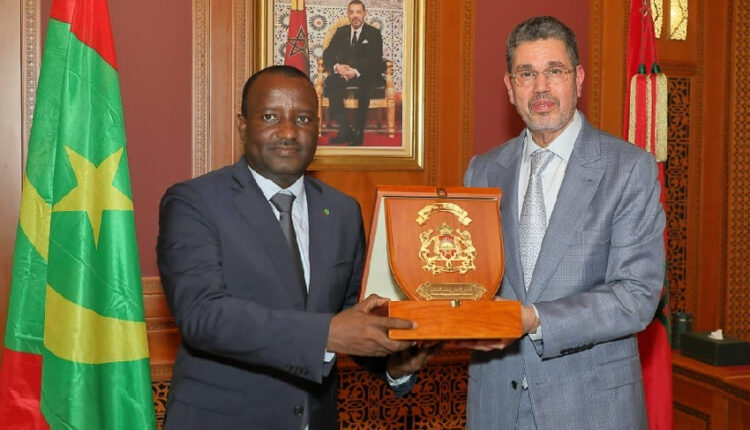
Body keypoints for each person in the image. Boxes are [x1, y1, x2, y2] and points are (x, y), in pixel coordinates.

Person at [157, 65, 429, 429]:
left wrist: (394, 365)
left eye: (303, 119)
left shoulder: (343, 211)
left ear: (318, 128)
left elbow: (351, 319)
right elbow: (202, 315)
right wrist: (326, 334)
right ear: (243, 126)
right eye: (270, 116)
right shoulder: (195, 202)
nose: (288, 132)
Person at [462, 16, 666, 429]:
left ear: (578, 79)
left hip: (591, 409)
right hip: (496, 405)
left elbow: (636, 296)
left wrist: (534, 318)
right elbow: (467, 281)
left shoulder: (628, 169)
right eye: (526, 74)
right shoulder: (482, 171)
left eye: (554, 71)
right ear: (509, 87)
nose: (540, 87)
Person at [322, 0, 383, 146]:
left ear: (364, 14)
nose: (355, 16)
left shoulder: (374, 33)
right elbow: (327, 53)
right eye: (351, 12)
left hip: (365, 74)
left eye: (358, 12)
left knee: (365, 85)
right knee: (331, 82)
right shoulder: (341, 31)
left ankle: (358, 131)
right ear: (348, 14)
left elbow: (375, 59)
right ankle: (344, 128)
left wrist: (355, 71)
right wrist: (337, 67)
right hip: (343, 73)